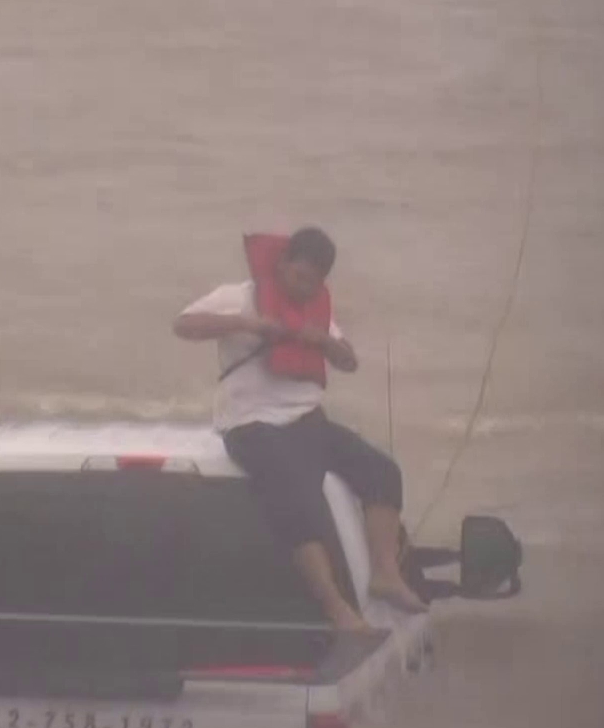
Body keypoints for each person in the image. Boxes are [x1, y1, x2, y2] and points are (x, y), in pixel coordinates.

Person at [173, 226, 429, 632]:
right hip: (249, 422)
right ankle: (334, 605)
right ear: (283, 265)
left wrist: (324, 342)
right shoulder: (239, 295)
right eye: (299, 277)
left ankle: (384, 574)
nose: (304, 287)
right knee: (296, 495)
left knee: (383, 472)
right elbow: (183, 325)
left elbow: (348, 362)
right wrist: (249, 324)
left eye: (314, 282)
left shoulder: (317, 311)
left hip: (307, 421)